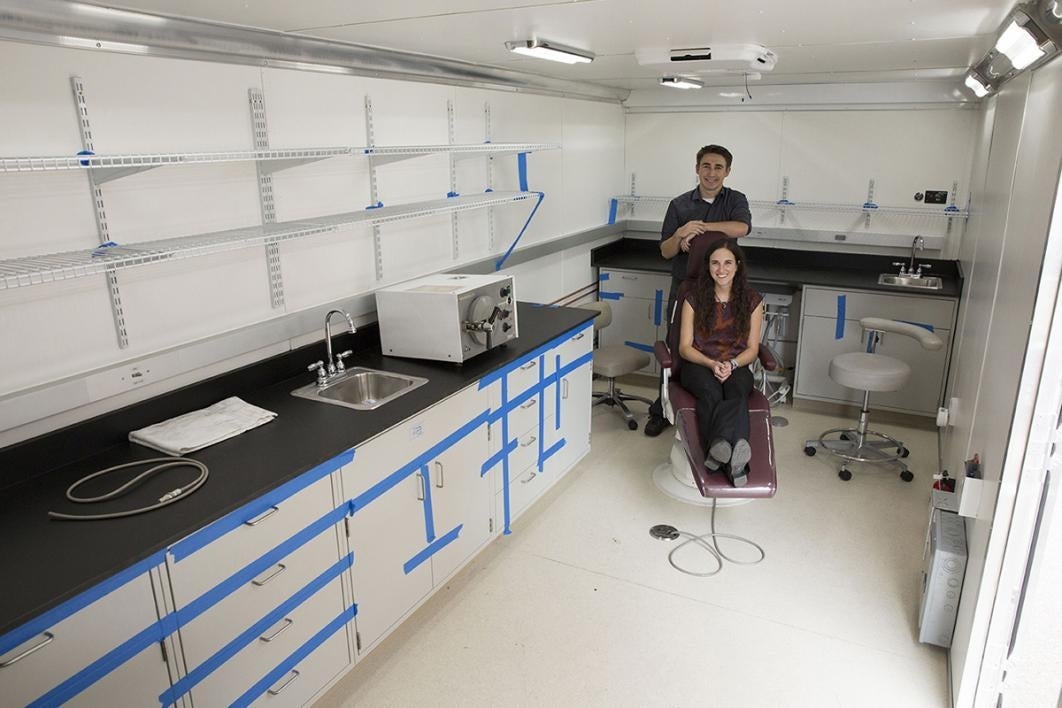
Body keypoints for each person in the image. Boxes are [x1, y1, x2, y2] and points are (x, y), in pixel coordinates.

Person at [645, 144, 752, 437]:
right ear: (697, 168)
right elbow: (666, 251)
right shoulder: (679, 205)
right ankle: (662, 408)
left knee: (722, 343)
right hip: (685, 290)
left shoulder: (735, 200)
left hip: (722, 287)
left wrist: (700, 228)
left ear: (727, 171)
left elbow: (742, 228)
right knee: (675, 347)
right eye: (706, 166)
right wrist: (681, 234)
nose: (712, 173)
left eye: (719, 167)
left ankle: (716, 404)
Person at [678, 237, 764, 487]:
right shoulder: (693, 299)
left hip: (737, 364)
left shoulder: (752, 301)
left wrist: (733, 365)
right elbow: (684, 348)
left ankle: (718, 452)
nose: (721, 269)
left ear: (737, 265)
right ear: (708, 267)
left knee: (736, 391)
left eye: (727, 263)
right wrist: (711, 364)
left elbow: (752, 349)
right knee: (711, 392)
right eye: (715, 263)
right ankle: (735, 465)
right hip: (698, 364)